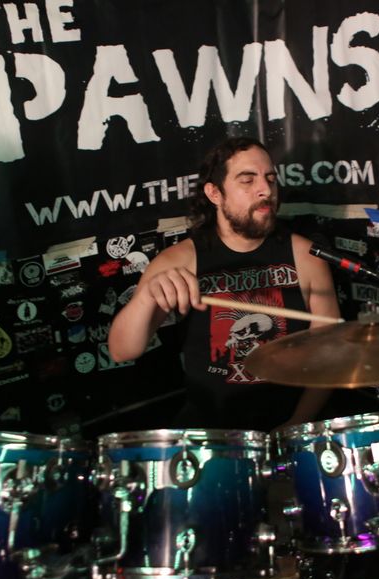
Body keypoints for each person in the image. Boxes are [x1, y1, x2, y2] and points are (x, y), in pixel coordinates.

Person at [108, 137, 340, 431]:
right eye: (248, 180)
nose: (266, 190)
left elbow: (329, 355)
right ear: (215, 193)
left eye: (270, 179)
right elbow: (122, 351)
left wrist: (299, 422)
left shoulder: (307, 258)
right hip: (212, 434)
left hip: (292, 428)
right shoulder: (179, 260)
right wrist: (145, 298)